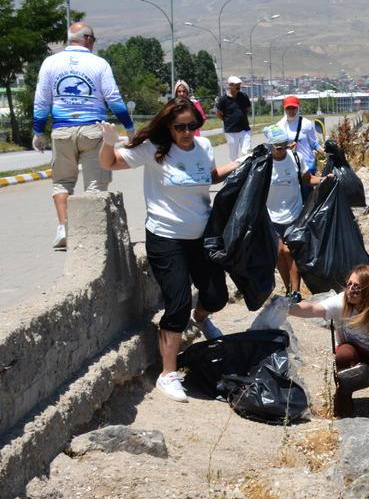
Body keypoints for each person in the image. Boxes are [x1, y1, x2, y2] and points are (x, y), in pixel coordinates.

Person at [98, 98, 243, 403]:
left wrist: (241, 163)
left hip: (201, 237)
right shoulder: (154, 148)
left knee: (216, 296)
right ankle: (168, 374)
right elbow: (109, 163)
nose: (187, 132)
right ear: (168, 126)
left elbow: (210, 176)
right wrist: (108, 143)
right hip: (166, 238)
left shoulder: (203, 148)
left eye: (193, 126)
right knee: (176, 304)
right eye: (180, 127)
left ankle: (202, 318)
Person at [32, 21, 133, 249]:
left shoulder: (50, 63)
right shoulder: (99, 64)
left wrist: (38, 131)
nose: (93, 44)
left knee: (62, 182)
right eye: (93, 40)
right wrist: (129, 127)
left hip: (61, 131)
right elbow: (113, 98)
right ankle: (92, 235)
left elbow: (41, 101)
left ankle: (63, 228)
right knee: (96, 184)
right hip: (92, 130)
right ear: (87, 39)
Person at [288, 264, 369, 418]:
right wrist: (287, 307)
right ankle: (344, 409)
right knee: (343, 355)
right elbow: (312, 309)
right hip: (354, 352)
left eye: (357, 287)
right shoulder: (340, 301)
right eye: (349, 284)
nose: (350, 290)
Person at [263, 125, 324, 300]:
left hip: (294, 212)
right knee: (278, 253)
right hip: (271, 215)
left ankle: (296, 291)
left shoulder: (296, 158)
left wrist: (325, 180)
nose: (282, 149)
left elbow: (308, 179)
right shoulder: (264, 163)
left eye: (285, 144)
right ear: (269, 146)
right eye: (278, 146)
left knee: (289, 251)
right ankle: (288, 288)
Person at [275, 95, 320, 179]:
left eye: (294, 108)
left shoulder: (306, 124)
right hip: (289, 166)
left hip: (307, 165)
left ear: (298, 108)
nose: (291, 111)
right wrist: (287, 147)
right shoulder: (279, 126)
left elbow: (314, 143)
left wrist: (325, 151)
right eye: (288, 108)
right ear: (284, 109)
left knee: (307, 191)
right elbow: (276, 148)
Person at [215, 76, 252, 162]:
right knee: (234, 156)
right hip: (231, 131)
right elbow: (218, 113)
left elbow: (248, 109)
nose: (238, 86)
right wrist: (227, 120)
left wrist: (241, 117)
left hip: (245, 129)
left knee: (246, 153)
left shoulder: (243, 96)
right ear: (230, 85)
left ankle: (246, 170)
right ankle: (235, 171)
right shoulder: (223, 99)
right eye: (236, 85)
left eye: (239, 84)